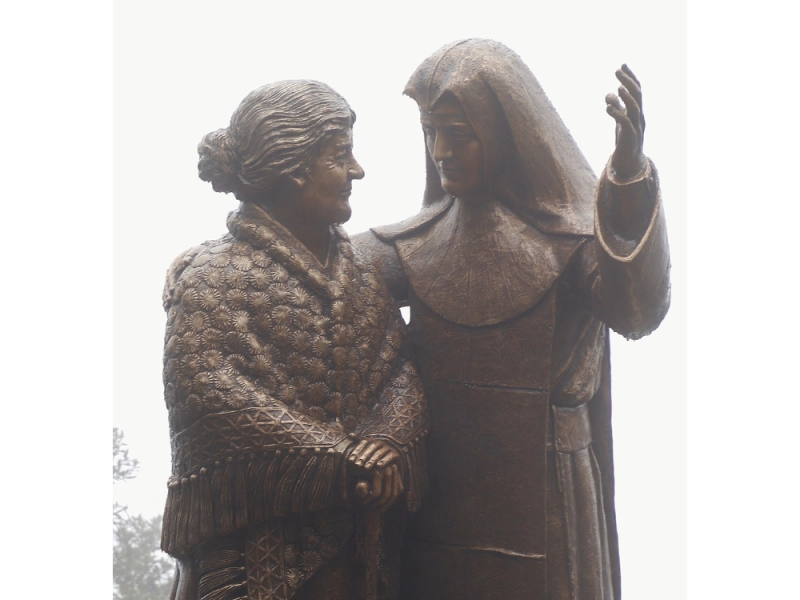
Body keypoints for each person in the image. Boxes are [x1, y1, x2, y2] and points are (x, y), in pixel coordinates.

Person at [354, 39, 670, 600]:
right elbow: (326, 267)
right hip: (439, 491)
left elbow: (635, 309)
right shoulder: (412, 245)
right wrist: (228, 257)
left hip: (547, 484)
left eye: (458, 131)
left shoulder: (568, 243)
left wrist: (626, 175)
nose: (441, 149)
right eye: (430, 131)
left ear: (504, 133)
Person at [160, 80, 428, 600]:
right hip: (253, 560)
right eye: (340, 156)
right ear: (293, 167)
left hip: (363, 557)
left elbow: (400, 368)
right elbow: (207, 391)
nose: (357, 171)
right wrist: (338, 456)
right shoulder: (211, 278)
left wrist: (389, 441)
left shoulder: (362, 275)